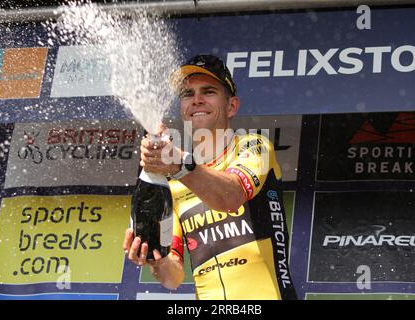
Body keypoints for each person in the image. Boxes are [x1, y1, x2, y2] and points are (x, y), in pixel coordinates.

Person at [123, 54, 297, 300]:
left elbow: (230, 197)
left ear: (232, 106)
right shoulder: (174, 185)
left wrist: (177, 163)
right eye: (187, 94)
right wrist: (154, 259)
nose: (196, 100)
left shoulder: (255, 147)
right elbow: (173, 277)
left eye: (208, 91)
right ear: (182, 110)